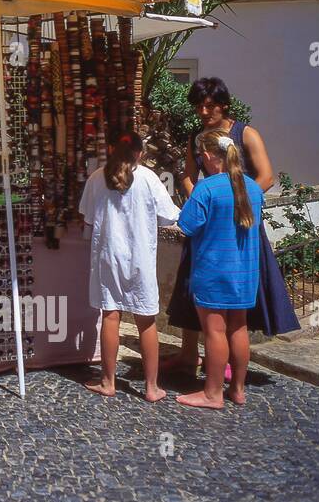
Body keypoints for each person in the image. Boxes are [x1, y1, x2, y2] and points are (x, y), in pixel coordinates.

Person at [163, 77, 299, 373]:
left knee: (235, 293)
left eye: (208, 105)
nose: (202, 111)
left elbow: (266, 176)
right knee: (192, 289)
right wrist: (200, 199)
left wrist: (237, 200)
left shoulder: (246, 134)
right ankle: (189, 354)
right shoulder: (196, 138)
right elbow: (187, 175)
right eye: (198, 106)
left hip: (240, 224)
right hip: (206, 227)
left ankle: (224, 359)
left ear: (223, 105)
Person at [78, 131, 181, 402]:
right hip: (140, 259)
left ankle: (108, 382)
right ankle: (151, 387)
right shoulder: (149, 179)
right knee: (146, 320)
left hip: (108, 256)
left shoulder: (96, 178)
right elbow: (170, 216)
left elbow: (87, 224)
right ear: (141, 153)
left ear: (110, 149)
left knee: (110, 315)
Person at [175, 130, 264, 409]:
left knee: (214, 331)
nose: (201, 159)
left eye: (202, 155)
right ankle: (237, 389)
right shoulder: (252, 187)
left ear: (211, 156)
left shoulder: (207, 188)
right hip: (245, 273)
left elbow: (187, 225)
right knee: (239, 328)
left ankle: (213, 393)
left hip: (214, 271)